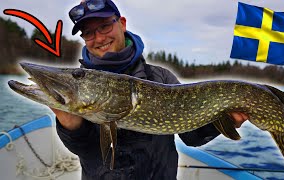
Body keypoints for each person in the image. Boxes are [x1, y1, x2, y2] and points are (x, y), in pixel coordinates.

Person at [52, 0, 249, 179]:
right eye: (88, 32)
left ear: (122, 23)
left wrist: (223, 121)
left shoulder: (161, 78)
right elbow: (84, 148)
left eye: (104, 26)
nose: (99, 37)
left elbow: (192, 135)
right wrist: (71, 125)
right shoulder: (79, 85)